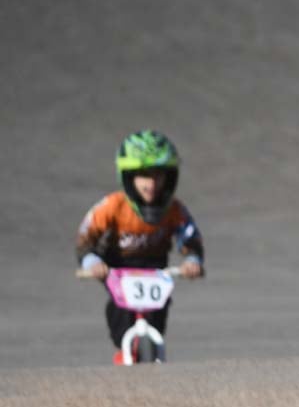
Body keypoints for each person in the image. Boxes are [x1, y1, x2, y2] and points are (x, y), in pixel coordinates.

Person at [76, 130, 205, 364]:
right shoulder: (112, 206)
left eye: (158, 175)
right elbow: (86, 235)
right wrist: (91, 262)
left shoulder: (174, 210)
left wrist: (192, 260)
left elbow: (190, 238)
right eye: (143, 175)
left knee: (158, 317)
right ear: (128, 176)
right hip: (119, 270)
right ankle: (123, 356)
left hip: (155, 272)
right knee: (121, 319)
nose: (151, 184)